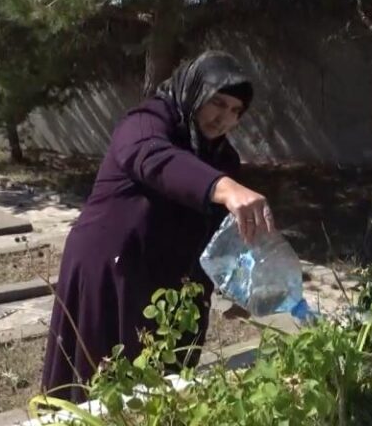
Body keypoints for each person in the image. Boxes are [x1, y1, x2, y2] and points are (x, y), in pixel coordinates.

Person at [41, 50, 273, 402]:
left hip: (169, 277)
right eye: (218, 102)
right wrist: (222, 187)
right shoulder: (146, 123)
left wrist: (238, 284)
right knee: (102, 381)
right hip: (111, 268)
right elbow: (154, 158)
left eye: (235, 112)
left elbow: (219, 231)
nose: (224, 118)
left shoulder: (221, 157)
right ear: (195, 90)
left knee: (165, 383)